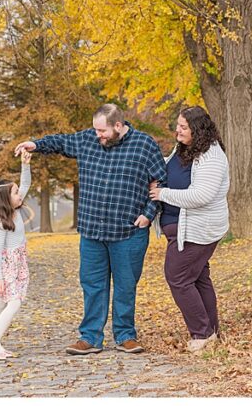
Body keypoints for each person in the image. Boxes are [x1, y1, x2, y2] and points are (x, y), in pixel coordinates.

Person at [13, 103, 166, 355]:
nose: (98, 135)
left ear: (118, 125)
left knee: (126, 285)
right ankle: (90, 337)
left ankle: (125, 335)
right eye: (95, 130)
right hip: (92, 230)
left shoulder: (144, 145)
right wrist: (36, 144)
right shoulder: (87, 140)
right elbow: (61, 142)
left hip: (128, 231)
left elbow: (162, 181)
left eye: (102, 131)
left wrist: (148, 215)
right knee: (93, 285)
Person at [149, 106, 229, 353]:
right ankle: (211, 331)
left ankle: (202, 333)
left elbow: (201, 195)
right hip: (183, 227)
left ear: (198, 129)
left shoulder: (211, 156)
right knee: (198, 277)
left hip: (199, 229)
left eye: (184, 127)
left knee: (178, 277)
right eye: (178, 125)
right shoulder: (184, 148)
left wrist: (162, 193)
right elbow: (170, 167)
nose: (178, 130)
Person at [0, 149, 33, 360]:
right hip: (5, 267)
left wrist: (25, 165)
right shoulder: (2, 222)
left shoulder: (16, 211)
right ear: (5, 199)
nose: (19, 194)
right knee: (14, 302)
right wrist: (0, 278)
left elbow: (26, 184)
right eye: (14, 193)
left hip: (17, 262)